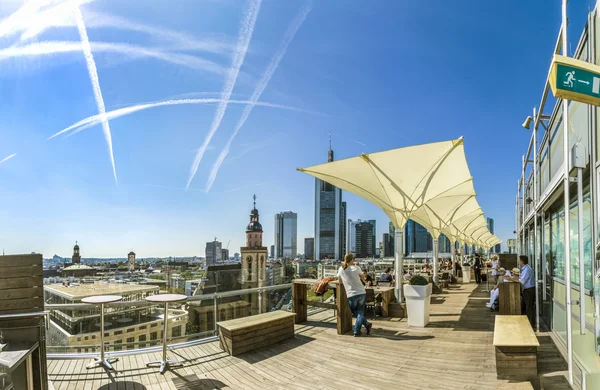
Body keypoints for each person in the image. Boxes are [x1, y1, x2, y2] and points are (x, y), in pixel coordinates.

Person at [337, 253, 372, 337]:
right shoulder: (356, 268)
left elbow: (339, 279)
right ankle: (361, 328)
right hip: (361, 292)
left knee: (354, 312)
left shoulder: (341, 269)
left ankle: (362, 327)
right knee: (360, 312)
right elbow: (363, 278)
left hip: (351, 293)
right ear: (352, 260)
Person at [513, 255, 535, 328]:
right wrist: (516, 276)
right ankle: (528, 322)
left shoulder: (527, 269)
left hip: (529, 290)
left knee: (529, 307)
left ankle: (530, 324)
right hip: (528, 290)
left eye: (519, 260)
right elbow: (522, 277)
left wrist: (511, 279)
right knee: (527, 306)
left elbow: (522, 281)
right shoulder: (526, 268)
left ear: (522, 261)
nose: (519, 262)